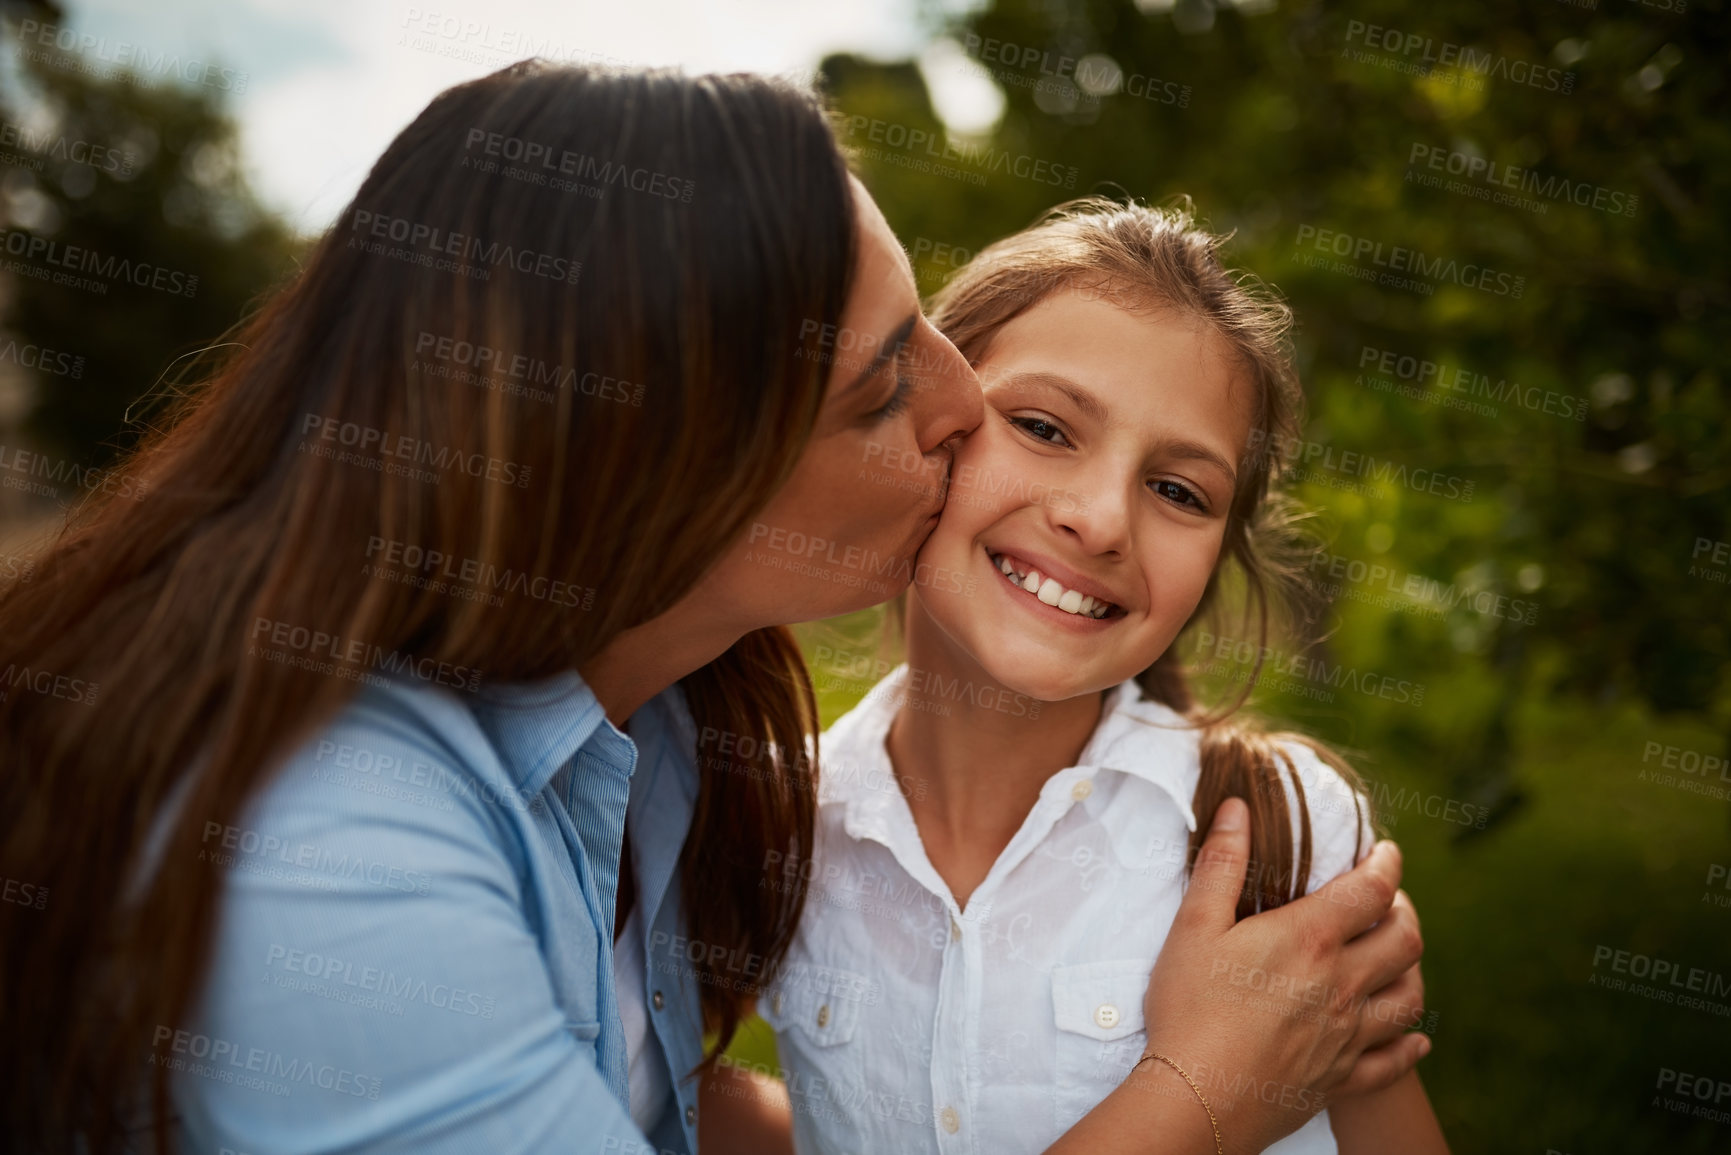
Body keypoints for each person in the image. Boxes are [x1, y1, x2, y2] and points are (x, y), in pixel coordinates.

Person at [0, 62, 1423, 1155]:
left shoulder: (662, 741)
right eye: (882, 384)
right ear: (654, 462)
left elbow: (640, 1089)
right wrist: (1196, 1094)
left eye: (927, 332)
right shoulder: (327, 844)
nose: (956, 407)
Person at [752, 200, 1447, 1154]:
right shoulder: (776, 821)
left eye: (1176, 491)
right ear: (930, 423)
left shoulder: (1277, 829)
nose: (1102, 519)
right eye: (1043, 426)